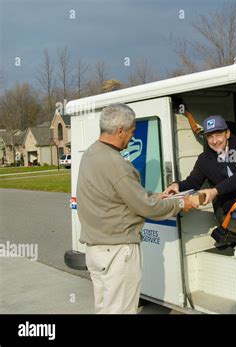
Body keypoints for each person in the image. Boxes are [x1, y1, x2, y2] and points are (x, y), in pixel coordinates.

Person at [76, 103, 197, 314]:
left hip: (96, 250)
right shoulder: (117, 164)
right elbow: (146, 207)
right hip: (117, 251)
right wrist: (180, 203)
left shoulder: (91, 154)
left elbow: (119, 194)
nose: (132, 137)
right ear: (120, 130)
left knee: (105, 308)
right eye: (131, 132)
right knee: (121, 310)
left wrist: (156, 195)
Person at [163, 115, 236, 229]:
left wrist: (215, 191)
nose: (215, 141)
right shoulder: (204, 160)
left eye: (218, 135)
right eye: (210, 136)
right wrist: (176, 185)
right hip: (234, 205)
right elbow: (192, 182)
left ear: (227, 134)